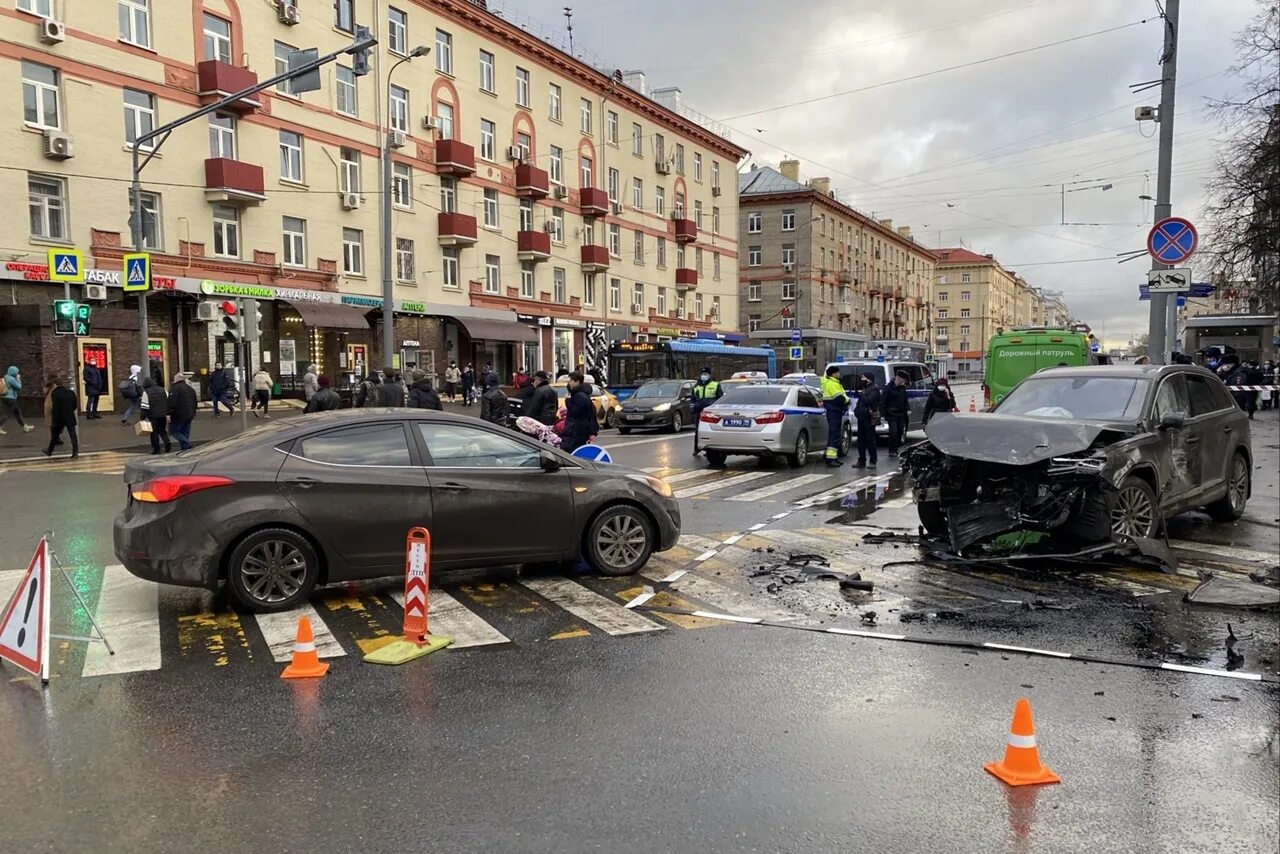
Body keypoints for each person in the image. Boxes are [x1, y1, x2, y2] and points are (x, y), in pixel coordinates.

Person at [819, 365, 850, 468]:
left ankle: (833, 457)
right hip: (834, 411)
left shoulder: (830, 383)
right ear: (834, 374)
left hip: (833, 411)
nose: (839, 374)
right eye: (838, 372)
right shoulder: (832, 384)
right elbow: (840, 399)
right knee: (834, 435)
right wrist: (848, 400)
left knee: (835, 435)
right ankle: (831, 459)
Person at [42, 374, 78, 459]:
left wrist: (54, 419)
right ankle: (75, 452)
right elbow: (75, 405)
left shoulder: (55, 393)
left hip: (59, 417)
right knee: (73, 435)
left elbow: (55, 407)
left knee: (55, 435)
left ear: (55, 385)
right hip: (69, 416)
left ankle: (49, 451)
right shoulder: (70, 392)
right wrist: (70, 410)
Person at [560, 371, 598, 452]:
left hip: (576, 431)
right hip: (577, 431)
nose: (569, 383)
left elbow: (576, 412)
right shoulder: (582, 394)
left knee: (571, 453)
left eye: (571, 381)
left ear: (577, 381)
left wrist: (568, 400)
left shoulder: (579, 395)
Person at [690, 365, 722, 454]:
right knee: (698, 430)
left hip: (710, 413)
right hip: (699, 412)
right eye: (702, 374)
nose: (704, 376)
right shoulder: (696, 386)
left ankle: (709, 450)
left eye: (706, 374)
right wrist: (693, 408)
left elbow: (720, 398)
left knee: (709, 431)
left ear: (709, 375)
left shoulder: (715, 385)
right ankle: (697, 448)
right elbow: (693, 399)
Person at [852, 372, 881, 469]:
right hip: (861, 417)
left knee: (870, 440)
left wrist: (862, 394)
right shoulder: (865, 388)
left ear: (869, 379)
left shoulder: (874, 389)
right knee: (861, 440)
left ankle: (873, 460)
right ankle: (861, 460)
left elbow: (869, 401)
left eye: (864, 377)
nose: (862, 378)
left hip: (869, 418)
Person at [139, 376, 171, 454]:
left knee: (154, 433)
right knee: (162, 431)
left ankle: (156, 449)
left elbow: (144, 407)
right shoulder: (163, 390)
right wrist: (168, 413)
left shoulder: (146, 393)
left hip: (153, 416)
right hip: (163, 415)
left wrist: (142, 419)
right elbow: (168, 402)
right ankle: (167, 442)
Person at [882, 371, 911, 458]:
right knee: (893, 432)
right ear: (899, 379)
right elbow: (883, 401)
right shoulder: (888, 388)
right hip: (891, 414)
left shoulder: (902, 388)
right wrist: (883, 414)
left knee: (900, 432)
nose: (904, 382)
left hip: (901, 414)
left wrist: (908, 409)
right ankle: (891, 450)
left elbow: (905, 400)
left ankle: (896, 448)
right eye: (904, 380)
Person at [166, 372, 197, 451]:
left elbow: (171, 402)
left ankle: (187, 445)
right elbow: (195, 402)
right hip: (189, 414)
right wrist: (193, 413)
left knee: (174, 431)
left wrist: (168, 413)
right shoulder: (190, 389)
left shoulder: (175, 389)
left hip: (178, 415)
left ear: (176, 379)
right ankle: (185, 448)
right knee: (185, 432)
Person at [0, 365, 34, 436]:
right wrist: (18, 379)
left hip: (4, 397)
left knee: (17, 412)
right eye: (16, 372)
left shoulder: (5, 377)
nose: (17, 373)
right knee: (7, 414)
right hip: (11, 398)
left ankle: (25, 427)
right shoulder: (11, 379)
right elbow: (19, 387)